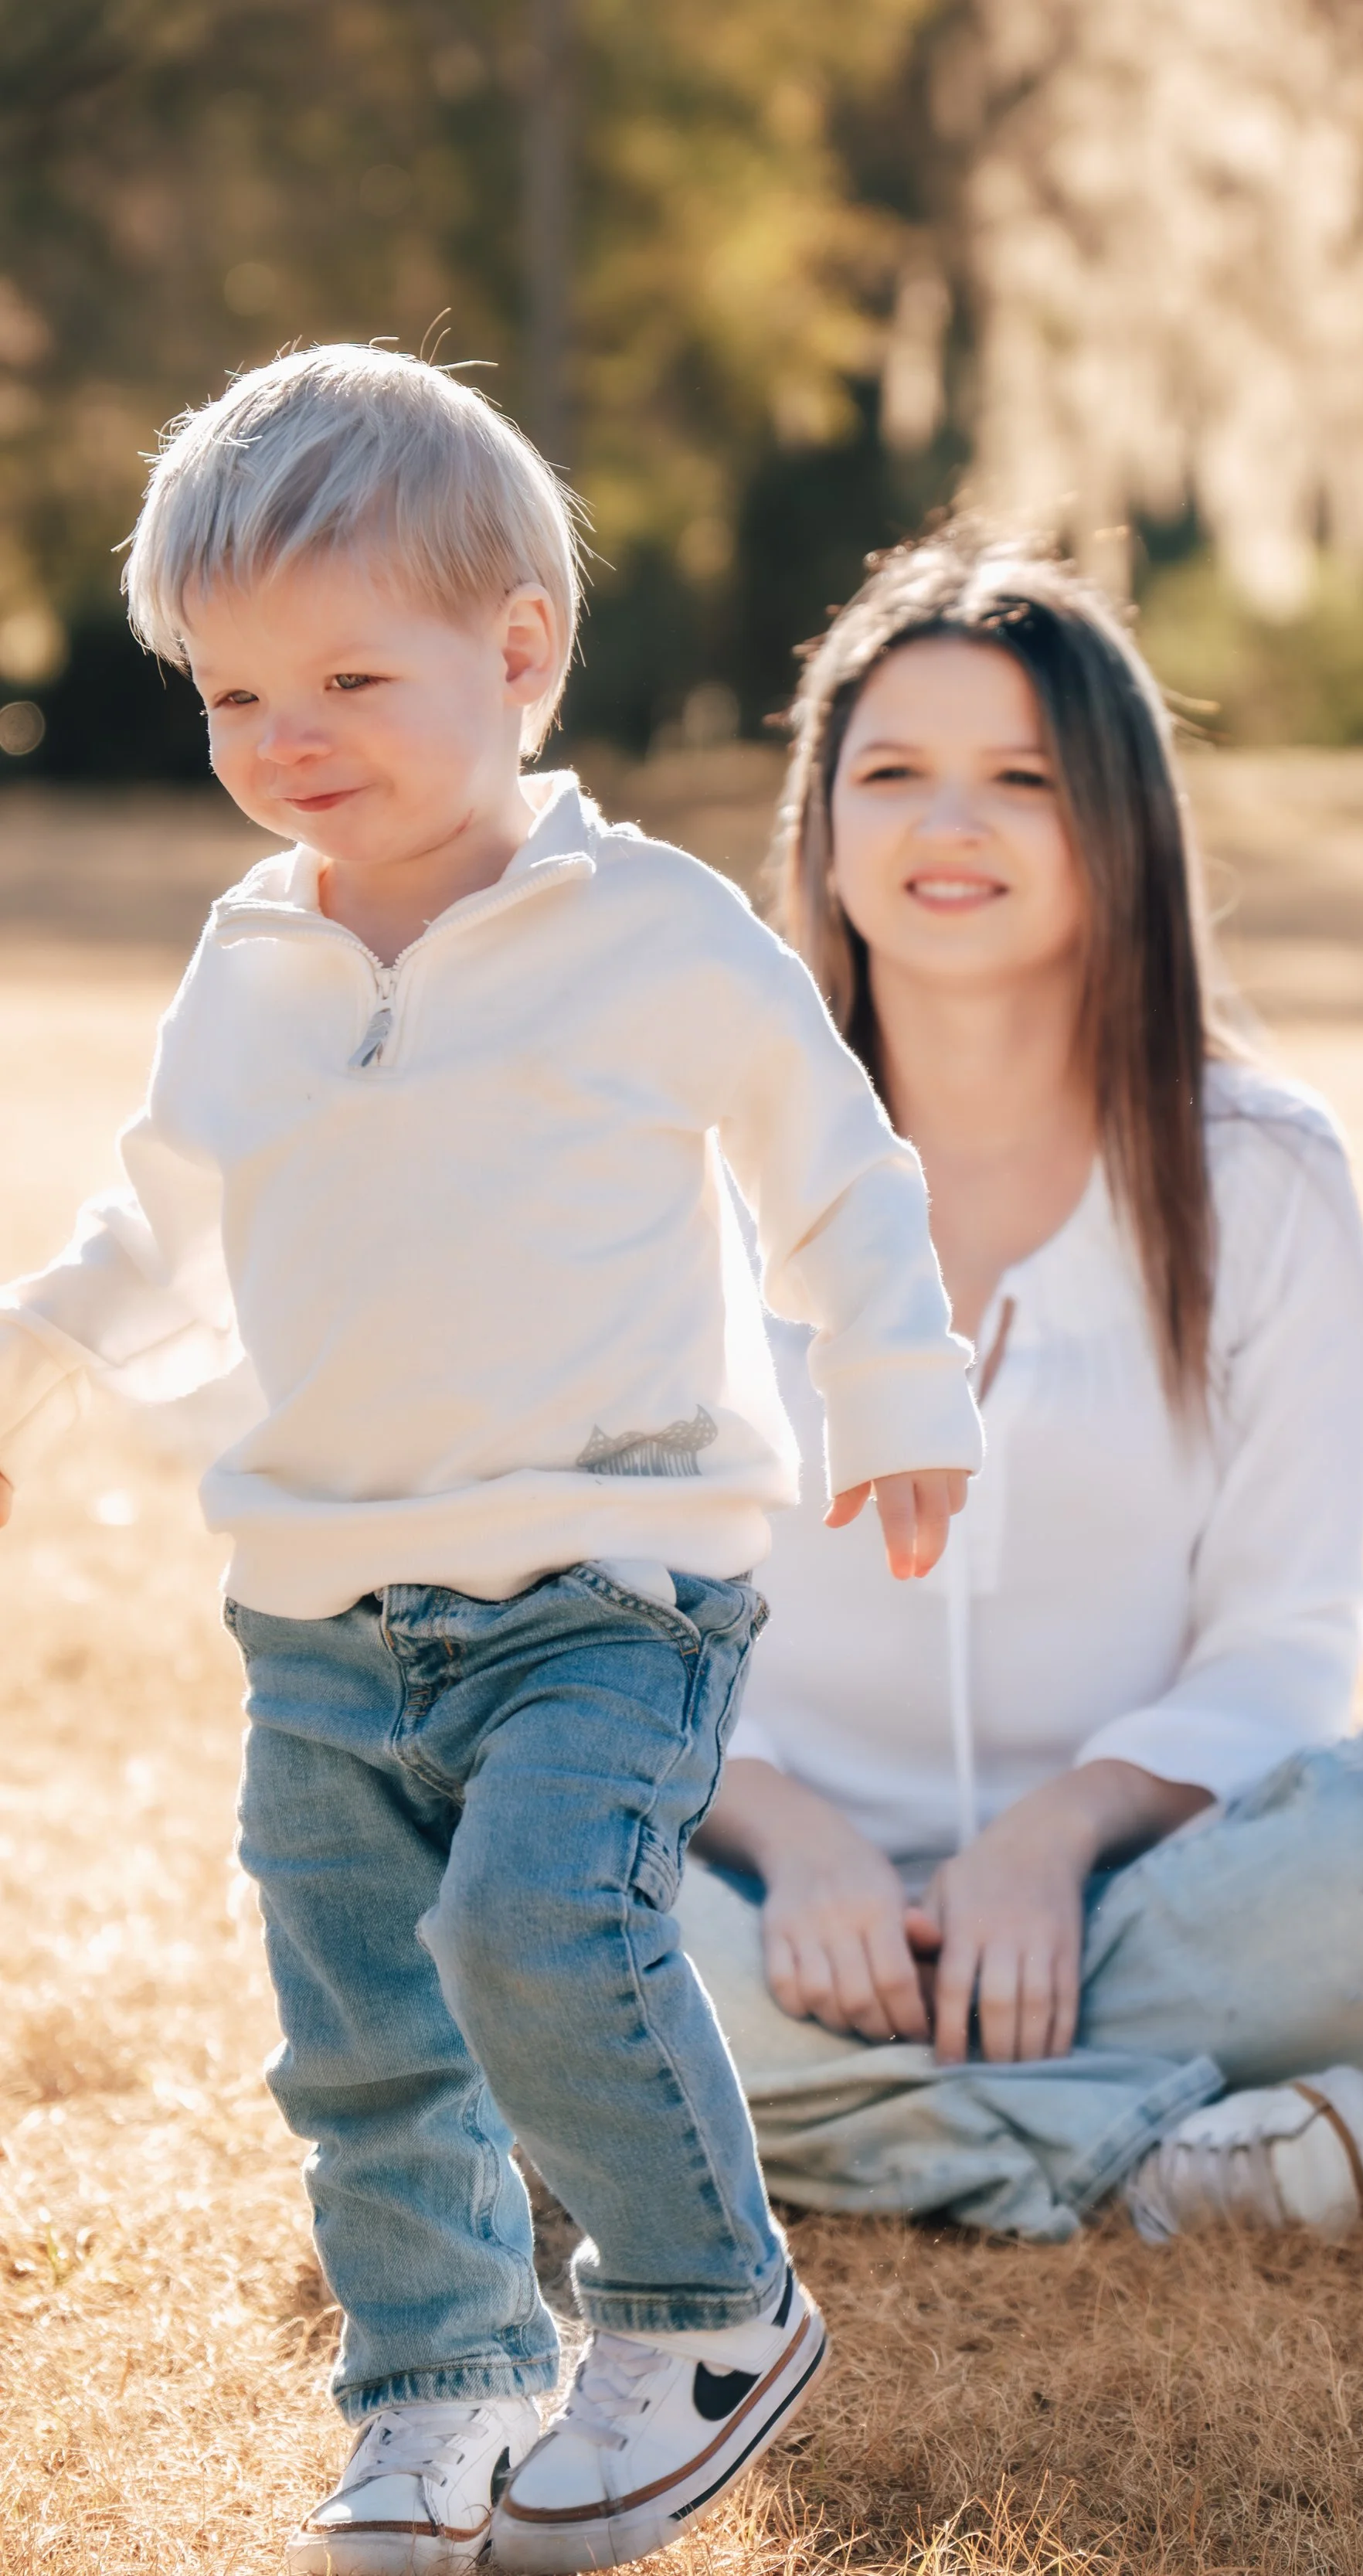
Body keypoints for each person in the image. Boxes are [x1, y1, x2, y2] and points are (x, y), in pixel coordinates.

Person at [0, 349, 983, 2576]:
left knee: (538, 1920)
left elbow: (830, 1161)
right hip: (317, 1607)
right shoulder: (250, 961)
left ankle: (704, 2308)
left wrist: (900, 1387)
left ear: (520, 651)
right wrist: (39, 1356)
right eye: (236, 698)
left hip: (606, 1581)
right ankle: (436, 2385)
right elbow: (166, 1223)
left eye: (351, 674)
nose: (290, 742)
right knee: (359, 2034)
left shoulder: (648, 935)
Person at [682, 523, 1363, 2245]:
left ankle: (722, 2110)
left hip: (1134, 1907)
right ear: (824, 823)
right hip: (738, 1894)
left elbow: (1280, 1639)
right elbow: (602, 1600)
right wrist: (786, 1832)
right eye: (891, 772)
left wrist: (1054, 1839)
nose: (946, 824)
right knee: (439, 1844)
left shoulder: (1259, 1171)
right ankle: (1141, 2164)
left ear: (1111, 822)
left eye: (1016, 778)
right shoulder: (685, 1160)